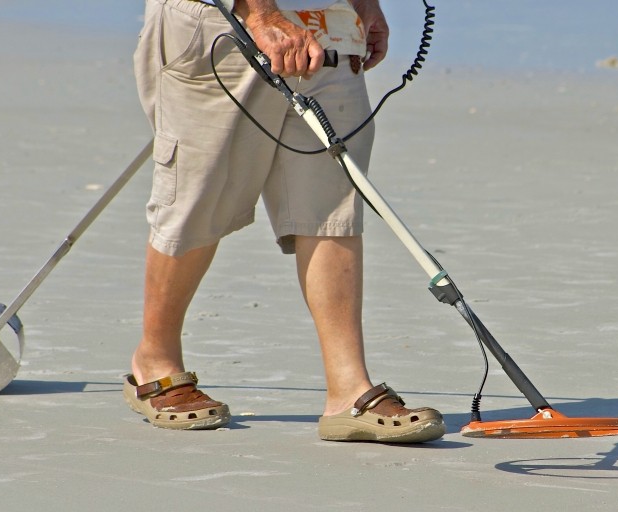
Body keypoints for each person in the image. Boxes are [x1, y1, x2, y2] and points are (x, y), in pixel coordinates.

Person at [122, 0, 446, 443]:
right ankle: (155, 360)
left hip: (331, 23)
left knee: (332, 205)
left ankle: (348, 390)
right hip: (223, 17)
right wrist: (259, 13)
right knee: (198, 198)